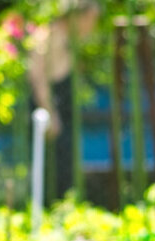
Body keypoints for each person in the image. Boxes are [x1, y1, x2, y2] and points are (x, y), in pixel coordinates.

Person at [27, 0, 100, 200]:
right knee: (52, 170)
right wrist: (51, 113)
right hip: (52, 110)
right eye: (91, 20)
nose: (92, 26)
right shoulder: (50, 37)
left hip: (63, 109)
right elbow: (37, 77)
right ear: (78, 16)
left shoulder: (68, 39)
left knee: (66, 167)